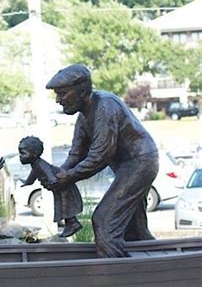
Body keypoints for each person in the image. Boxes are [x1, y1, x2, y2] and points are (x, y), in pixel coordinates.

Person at [45, 64, 159, 258]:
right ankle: (160, 269)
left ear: (81, 92)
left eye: (62, 93)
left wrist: (68, 177)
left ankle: (116, 276)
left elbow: (100, 156)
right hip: (127, 166)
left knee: (104, 220)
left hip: (140, 162)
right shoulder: (84, 115)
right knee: (135, 228)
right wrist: (57, 173)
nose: (58, 100)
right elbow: (76, 154)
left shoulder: (105, 106)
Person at [18, 136, 82, 237]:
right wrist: (27, 182)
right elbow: (33, 175)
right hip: (58, 188)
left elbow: (48, 172)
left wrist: (52, 180)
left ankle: (73, 224)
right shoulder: (35, 165)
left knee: (64, 206)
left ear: (34, 154)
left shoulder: (40, 164)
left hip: (62, 186)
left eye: (23, 153)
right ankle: (71, 224)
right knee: (61, 206)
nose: (20, 156)